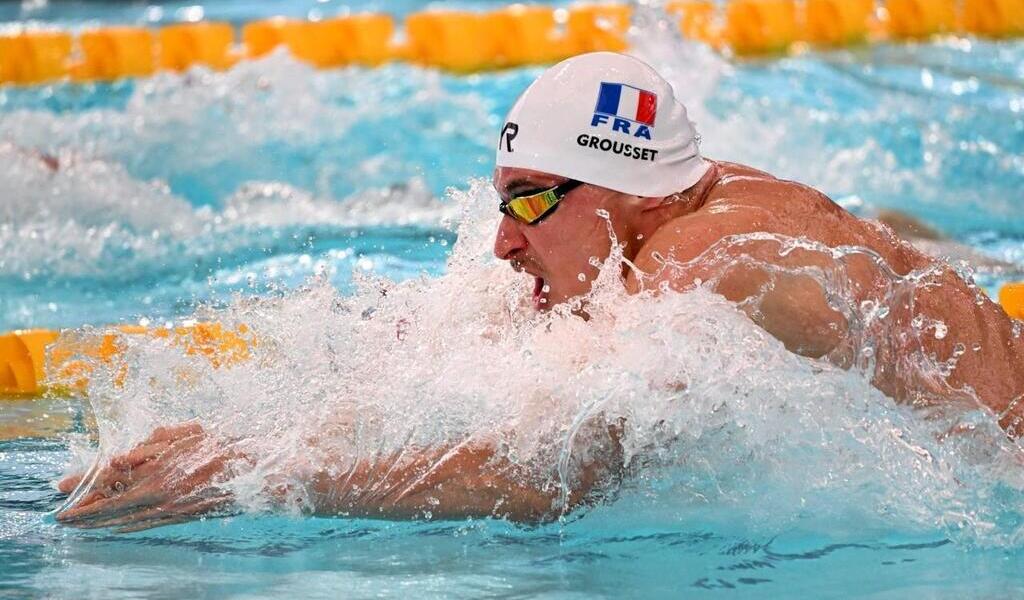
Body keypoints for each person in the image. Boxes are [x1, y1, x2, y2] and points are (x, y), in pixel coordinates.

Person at [55, 52, 1024, 531]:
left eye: (528, 203)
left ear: (625, 192)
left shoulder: (702, 265)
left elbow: (548, 475)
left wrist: (252, 478)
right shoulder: (682, 200)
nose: (501, 243)